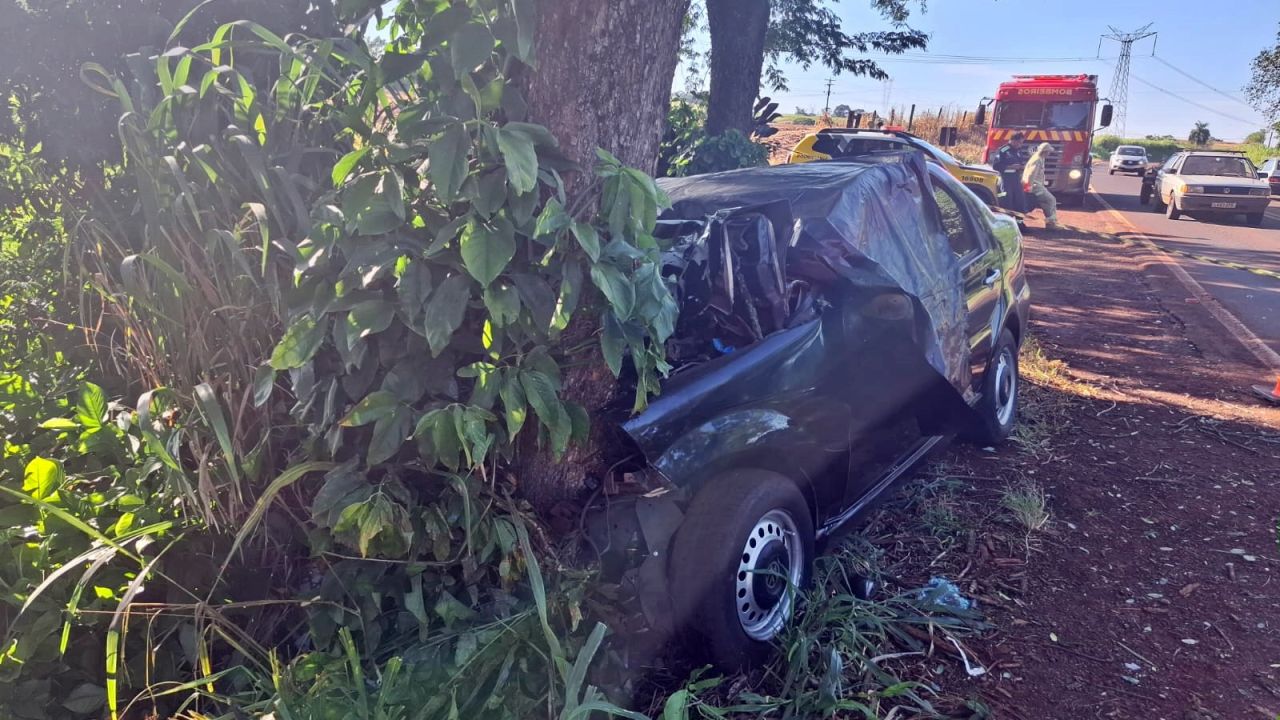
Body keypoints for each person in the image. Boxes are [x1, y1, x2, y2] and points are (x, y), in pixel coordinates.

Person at [1022, 142, 1060, 229]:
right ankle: (1051, 223)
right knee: (1051, 200)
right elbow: (1031, 175)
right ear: (1045, 151)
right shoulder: (1037, 160)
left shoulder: (1040, 158)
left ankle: (1050, 224)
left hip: (1037, 185)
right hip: (1035, 186)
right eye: (1048, 151)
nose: (1049, 153)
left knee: (1045, 203)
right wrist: (1029, 187)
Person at [990, 132, 1029, 212]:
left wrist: (1022, 167)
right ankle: (1008, 221)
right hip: (1006, 179)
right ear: (1013, 140)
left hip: (1016, 178)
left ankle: (1019, 223)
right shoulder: (1003, 150)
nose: (1020, 145)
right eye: (1019, 142)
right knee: (1007, 201)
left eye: (1022, 143)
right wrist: (1010, 167)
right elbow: (996, 166)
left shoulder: (1018, 151)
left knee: (1019, 201)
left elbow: (1021, 162)